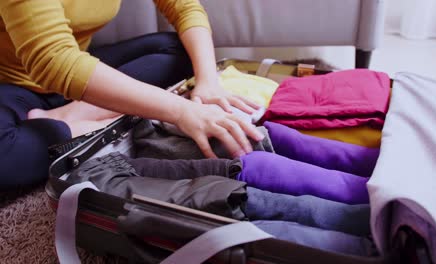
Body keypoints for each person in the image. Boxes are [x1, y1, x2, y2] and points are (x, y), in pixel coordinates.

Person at [0, 0, 264, 189]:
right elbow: (53, 60)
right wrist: (181, 110)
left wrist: (208, 82)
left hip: (77, 77)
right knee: (6, 158)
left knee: (176, 49)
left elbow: (185, 8)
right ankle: (91, 123)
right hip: (12, 87)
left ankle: (67, 117)